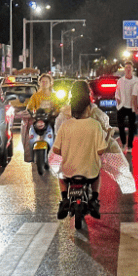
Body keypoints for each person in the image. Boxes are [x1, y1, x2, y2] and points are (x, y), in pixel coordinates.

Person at [53, 81, 108, 220]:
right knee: (97, 171)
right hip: (89, 168)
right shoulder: (95, 120)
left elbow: (56, 147)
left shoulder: (64, 122)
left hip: (69, 168)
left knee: (61, 175)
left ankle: (64, 199)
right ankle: (94, 199)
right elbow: (102, 147)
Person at [25, 73, 59, 175]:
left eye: (46, 82)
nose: (44, 84)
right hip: (39, 120)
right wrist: (31, 113)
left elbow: (58, 107)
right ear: (39, 83)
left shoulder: (54, 96)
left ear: (50, 83)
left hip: (51, 120)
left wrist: (55, 112)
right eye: (42, 82)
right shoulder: (36, 96)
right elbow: (30, 107)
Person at [115, 62, 138, 152]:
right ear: (124, 69)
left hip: (132, 106)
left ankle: (129, 146)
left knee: (132, 127)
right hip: (122, 106)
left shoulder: (136, 81)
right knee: (120, 126)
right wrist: (118, 100)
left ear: (132, 69)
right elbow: (117, 92)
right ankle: (123, 143)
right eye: (127, 68)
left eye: (130, 68)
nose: (128, 69)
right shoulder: (120, 81)